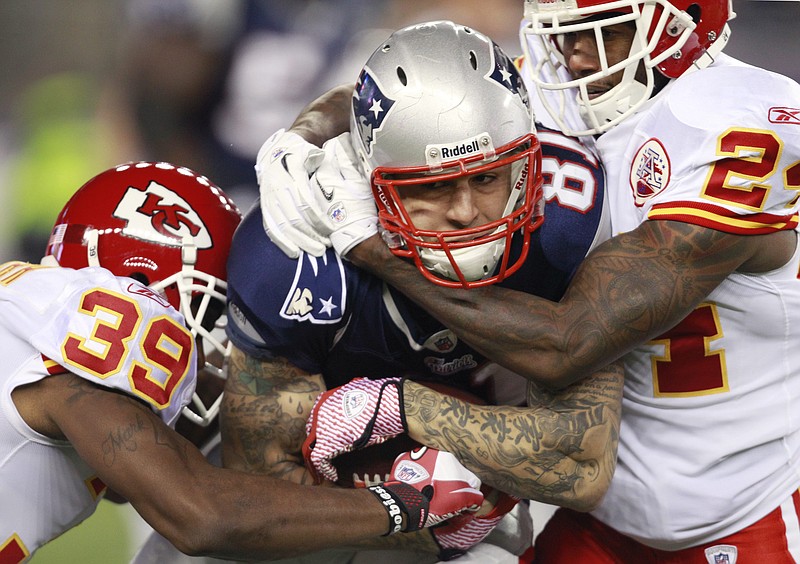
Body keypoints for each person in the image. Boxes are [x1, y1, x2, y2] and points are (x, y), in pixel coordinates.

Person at [261, 1, 800, 561]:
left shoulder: (741, 126)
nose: (574, 56)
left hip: (750, 508)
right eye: (563, 35)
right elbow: (386, 99)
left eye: (603, 33)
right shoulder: (575, 89)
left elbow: (571, 341)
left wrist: (371, 247)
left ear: (679, 22)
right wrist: (295, 141)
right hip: (602, 519)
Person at [222, 20, 622, 564]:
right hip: (331, 515)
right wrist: (410, 517)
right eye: (431, 186)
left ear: (528, 167)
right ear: (369, 179)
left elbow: (582, 465)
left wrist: (401, 407)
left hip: (484, 502)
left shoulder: (565, 223)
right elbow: (262, 485)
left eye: (486, 179)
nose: (465, 212)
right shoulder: (297, 254)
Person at [0, 161, 487, 563]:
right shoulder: (89, 329)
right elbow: (202, 514)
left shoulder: (31, 319)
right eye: (212, 314)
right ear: (138, 291)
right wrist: (403, 503)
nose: (224, 349)